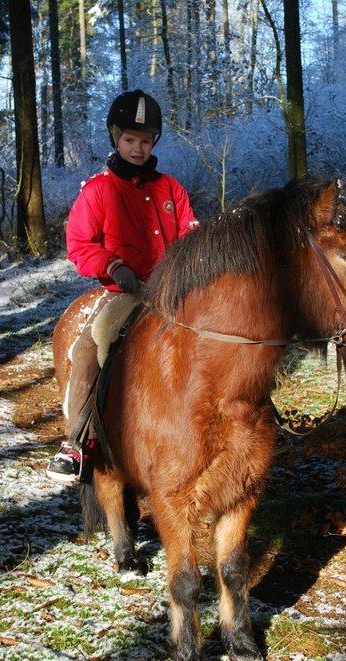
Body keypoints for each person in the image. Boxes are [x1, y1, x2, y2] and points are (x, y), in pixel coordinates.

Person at [47, 89, 199, 481]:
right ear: (116, 138)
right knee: (91, 345)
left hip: (173, 290)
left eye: (145, 141)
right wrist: (113, 267)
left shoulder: (171, 189)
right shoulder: (98, 191)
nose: (138, 148)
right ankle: (76, 443)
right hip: (127, 292)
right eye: (130, 139)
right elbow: (80, 245)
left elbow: (190, 233)